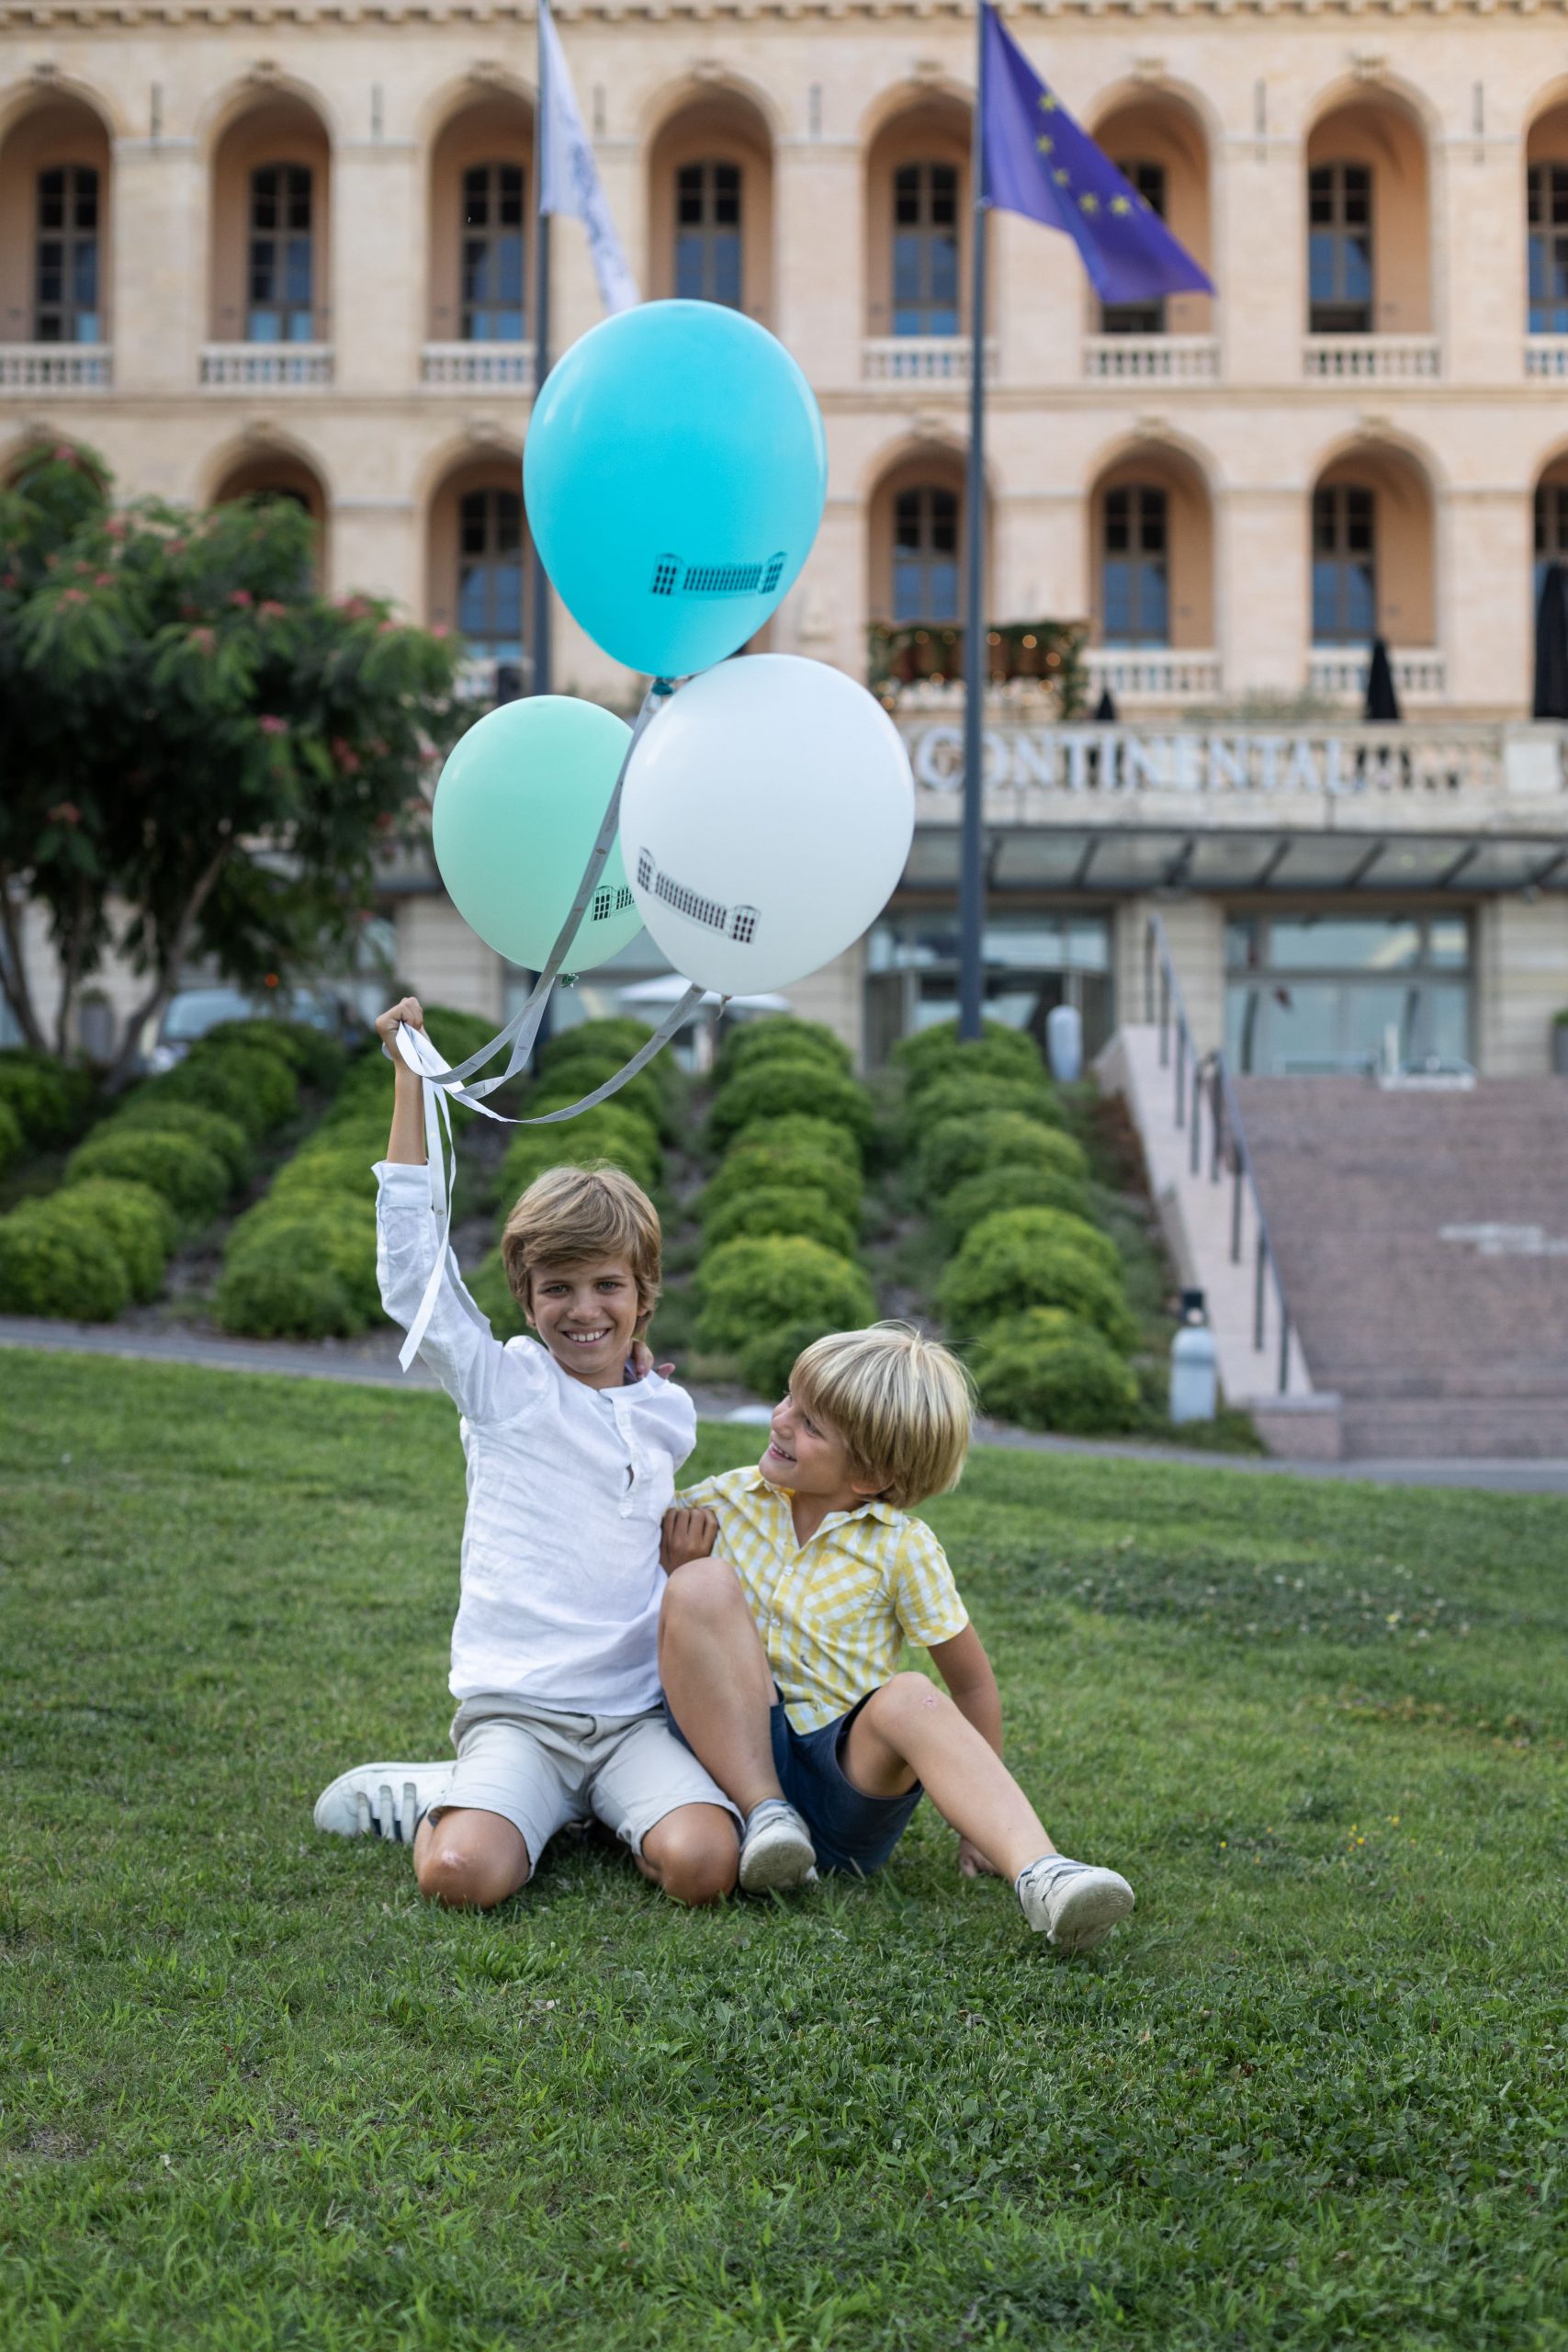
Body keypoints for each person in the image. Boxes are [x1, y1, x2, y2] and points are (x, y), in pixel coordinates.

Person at [311, 996, 740, 1908]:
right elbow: (412, 1267)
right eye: (557, 1288)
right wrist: (409, 1076)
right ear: (524, 1291)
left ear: (645, 1289)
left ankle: (576, 1811)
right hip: (521, 1712)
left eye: (606, 1285)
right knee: (461, 1877)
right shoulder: (503, 1386)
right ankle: (447, 1793)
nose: (582, 1309)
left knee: (707, 1866)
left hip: (631, 1720)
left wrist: (676, 1564)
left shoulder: (669, 1412)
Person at [660, 1323, 1135, 1951]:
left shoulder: (902, 1549)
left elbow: (968, 1681)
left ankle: (1043, 1873)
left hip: (841, 1792)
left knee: (911, 1692)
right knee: (701, 1584)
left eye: (810, 1425)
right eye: (787, 1399)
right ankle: (766, 1817)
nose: (779, 1421)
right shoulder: (721, 1503)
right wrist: (679, 1566)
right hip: (726, 1763)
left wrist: (971, 1829)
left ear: (870, 1473)